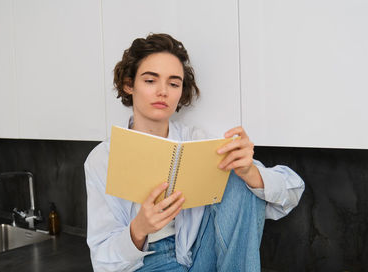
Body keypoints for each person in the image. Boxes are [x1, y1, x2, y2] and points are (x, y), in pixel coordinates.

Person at [84, 33, 305, 271]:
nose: (163, 91)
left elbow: (292, 189)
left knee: (237, 176)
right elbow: (102, 261)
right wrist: (139, 229)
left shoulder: (195, 141)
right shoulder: (103, 158)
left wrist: (250, 172)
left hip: (197, 254)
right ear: (129, 85)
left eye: (173, 83)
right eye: (150, 81)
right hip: (143, 263)